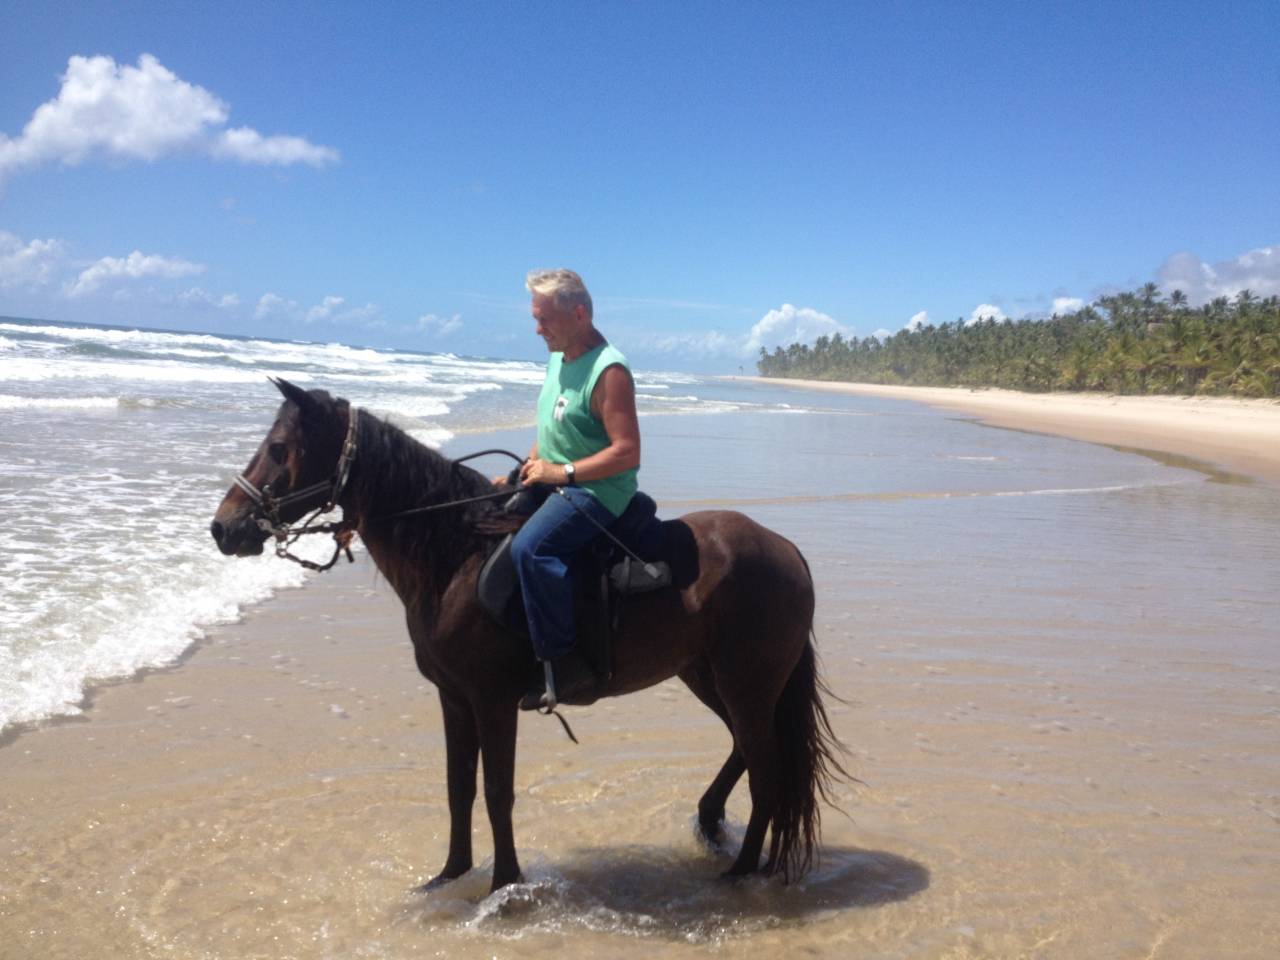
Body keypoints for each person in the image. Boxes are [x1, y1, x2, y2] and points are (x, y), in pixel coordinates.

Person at [505, 268, 641, 711]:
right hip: (555, 473)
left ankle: (564, 664)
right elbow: (550, 427)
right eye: (535, 318)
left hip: (599, 490)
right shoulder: (558, 358)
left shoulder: (609, 370)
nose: (537, 328)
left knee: (531, 549)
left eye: (544, 319)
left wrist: (559, 473)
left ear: (579, 313)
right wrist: (527, 465)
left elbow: (626, 453)